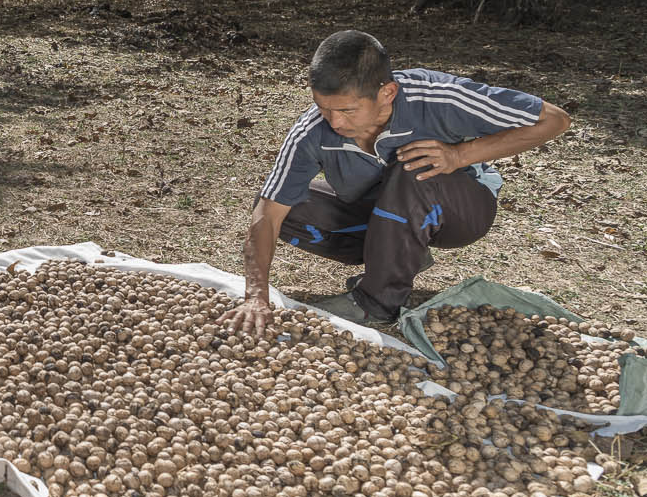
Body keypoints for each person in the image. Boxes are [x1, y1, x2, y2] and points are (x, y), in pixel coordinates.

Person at [221, 30, 570, 334]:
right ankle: (401, 255)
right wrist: (256, 296)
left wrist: (460, 155)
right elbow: (267, 215)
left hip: (460, 210)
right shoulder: (313, 131)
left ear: (387, 93)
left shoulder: (437, 97)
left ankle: (375, 303)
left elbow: (554, 120)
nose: (334, 121)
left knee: (411, 164)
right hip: (381, 216)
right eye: (324, 108)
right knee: (280, 205)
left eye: (347, 110)